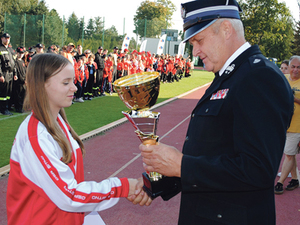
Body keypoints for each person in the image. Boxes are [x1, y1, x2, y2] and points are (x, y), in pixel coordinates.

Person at [139, 0, 294, 224]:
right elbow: (216, 152)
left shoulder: (258, 77)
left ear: (226, 30)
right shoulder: (233, 74)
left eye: (199, 40)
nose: (195, 51)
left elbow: (258, 169)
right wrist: (161, 180)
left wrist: (181, 164)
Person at [6, 53, 151, 225]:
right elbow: (69, 195)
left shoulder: (57, 121)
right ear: (42, 86)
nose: (74, 88)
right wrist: (123, 187)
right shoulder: (36, 136)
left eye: (73, 81)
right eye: (66, 83)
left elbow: (68, 187)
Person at [275, 56, 300, 194]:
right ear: (288, 67)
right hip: (283, 124)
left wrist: (294, 98)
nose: (295, 70)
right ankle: (295, 179)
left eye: (298, 67)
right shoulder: (283, 80)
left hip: (297, 125)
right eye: (293, 66)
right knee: (291, 153)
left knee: (289, 154)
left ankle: (280, 183)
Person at [0, 33, 15, 115]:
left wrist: (15, 73)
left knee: (8, 92)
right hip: (4, 73)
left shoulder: (9, 49)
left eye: (8, 38)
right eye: (5, 38)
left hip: (11, 73)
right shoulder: (0, 49)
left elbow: (13, 62)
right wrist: (0, 75)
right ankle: (3, 109)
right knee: (3, 93)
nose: (7, 40)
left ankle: (7, 107)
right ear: (2, 38)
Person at [12, 46, 27, 113]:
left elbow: (25, 71)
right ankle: (18, 108)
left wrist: (26, 79)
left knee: (23, 94)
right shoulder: (15, 62)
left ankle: (21, 107)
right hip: (19, 82)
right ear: (17, 53)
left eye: (22, 53)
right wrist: (22, 80)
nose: (21, 54)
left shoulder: (22, 62)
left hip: (23, 81)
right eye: (19, 53)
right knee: (18, 95)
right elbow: (17, 72)